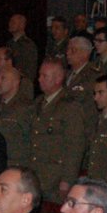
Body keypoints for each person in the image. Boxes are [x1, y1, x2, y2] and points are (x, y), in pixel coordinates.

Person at [31, 59, 88, 203]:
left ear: (58, 79)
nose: (39, 79)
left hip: (55, 178)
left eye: (45, 76)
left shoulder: (69, 106)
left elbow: (76, 145)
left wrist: (67, 180)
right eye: (39, 75)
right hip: (36, 174)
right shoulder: (38, 103)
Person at [5, 12, 40, 85]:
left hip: (20, 85)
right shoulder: (9, 43)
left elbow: (30, 71)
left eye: (13, 22)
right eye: (10, 21)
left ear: (21, 25)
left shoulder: (28, 45)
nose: (10, 24)